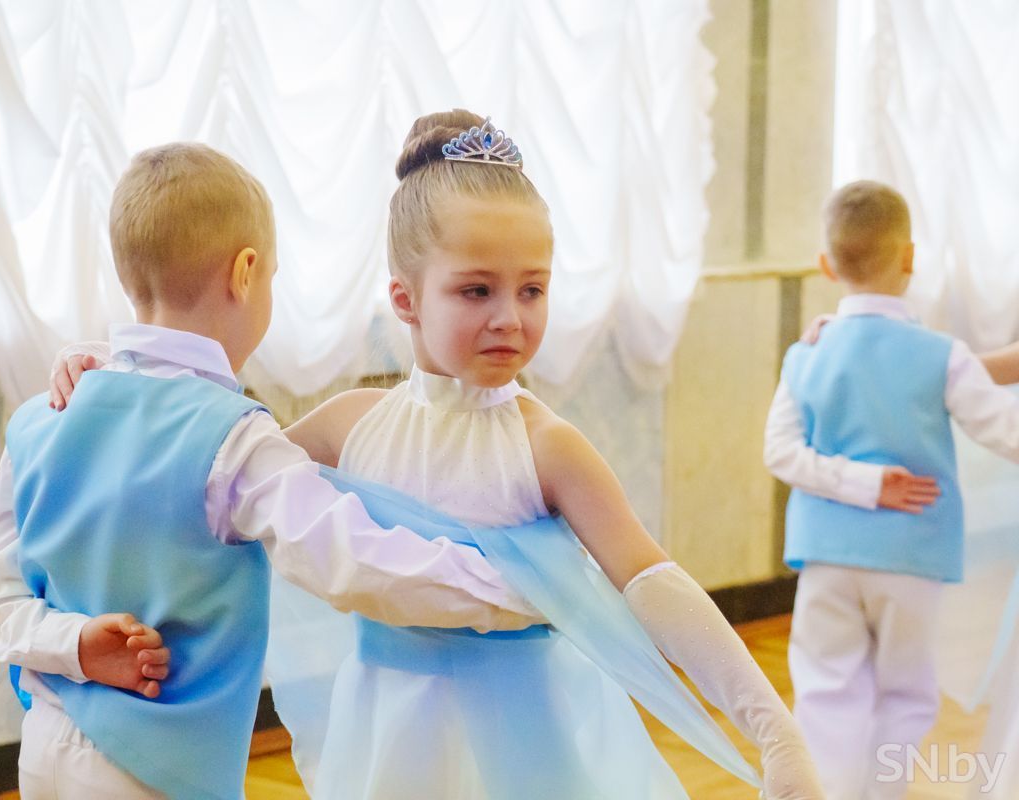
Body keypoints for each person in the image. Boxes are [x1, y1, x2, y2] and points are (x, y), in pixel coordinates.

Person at [0, 142, 545, 800]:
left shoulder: (42, 416)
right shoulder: (233, 437)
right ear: (245, 272)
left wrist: (75, 645)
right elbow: (357, 559)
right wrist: (528, 588)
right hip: (158, 775)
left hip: (41, 754)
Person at [261, 110, 821, 799]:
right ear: (405, 299)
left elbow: (652, 582)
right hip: (387, 734)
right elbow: (224, 487)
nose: (510, 318)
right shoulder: (348, 427)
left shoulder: (547, 447)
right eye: (476, 290)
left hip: (522, 746)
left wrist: (773, 729)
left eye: (532, 289)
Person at [763, 180, 1019, 799]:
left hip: (826, 555)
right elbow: (1006, 430)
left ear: (826, 265)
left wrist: (861, 482)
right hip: (912, 557)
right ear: (910, 257)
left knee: (824, 694)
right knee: (904, 696)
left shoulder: (807, 353)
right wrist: (883, 485)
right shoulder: (943, 357)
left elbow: (781, 453)